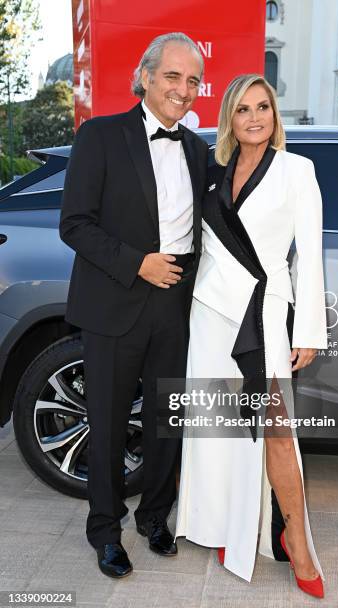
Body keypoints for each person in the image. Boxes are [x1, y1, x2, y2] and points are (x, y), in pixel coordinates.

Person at [59, 32, 208, 579]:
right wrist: (136, 262)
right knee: (108, 423)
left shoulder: (196, 148)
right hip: (113, 303)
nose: (183, 89)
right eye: (173, 76)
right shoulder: (100, 136)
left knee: (168, 420)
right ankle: (105, 531)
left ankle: (154, 518)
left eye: (192, 80)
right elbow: (74, 223)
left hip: (175, 307)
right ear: (146, 76)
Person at [175, 74, 328, 598]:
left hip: (262, 315)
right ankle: (225, 528)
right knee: (219, 431)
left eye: (264, 106)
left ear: (274, 114)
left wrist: (307, 328)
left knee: (277, 434)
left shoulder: (296, 172)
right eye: (244, 109)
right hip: (211, 314)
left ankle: (299, 545)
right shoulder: (213, 175)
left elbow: (309, 254)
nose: (256, 117)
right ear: (231, 119)